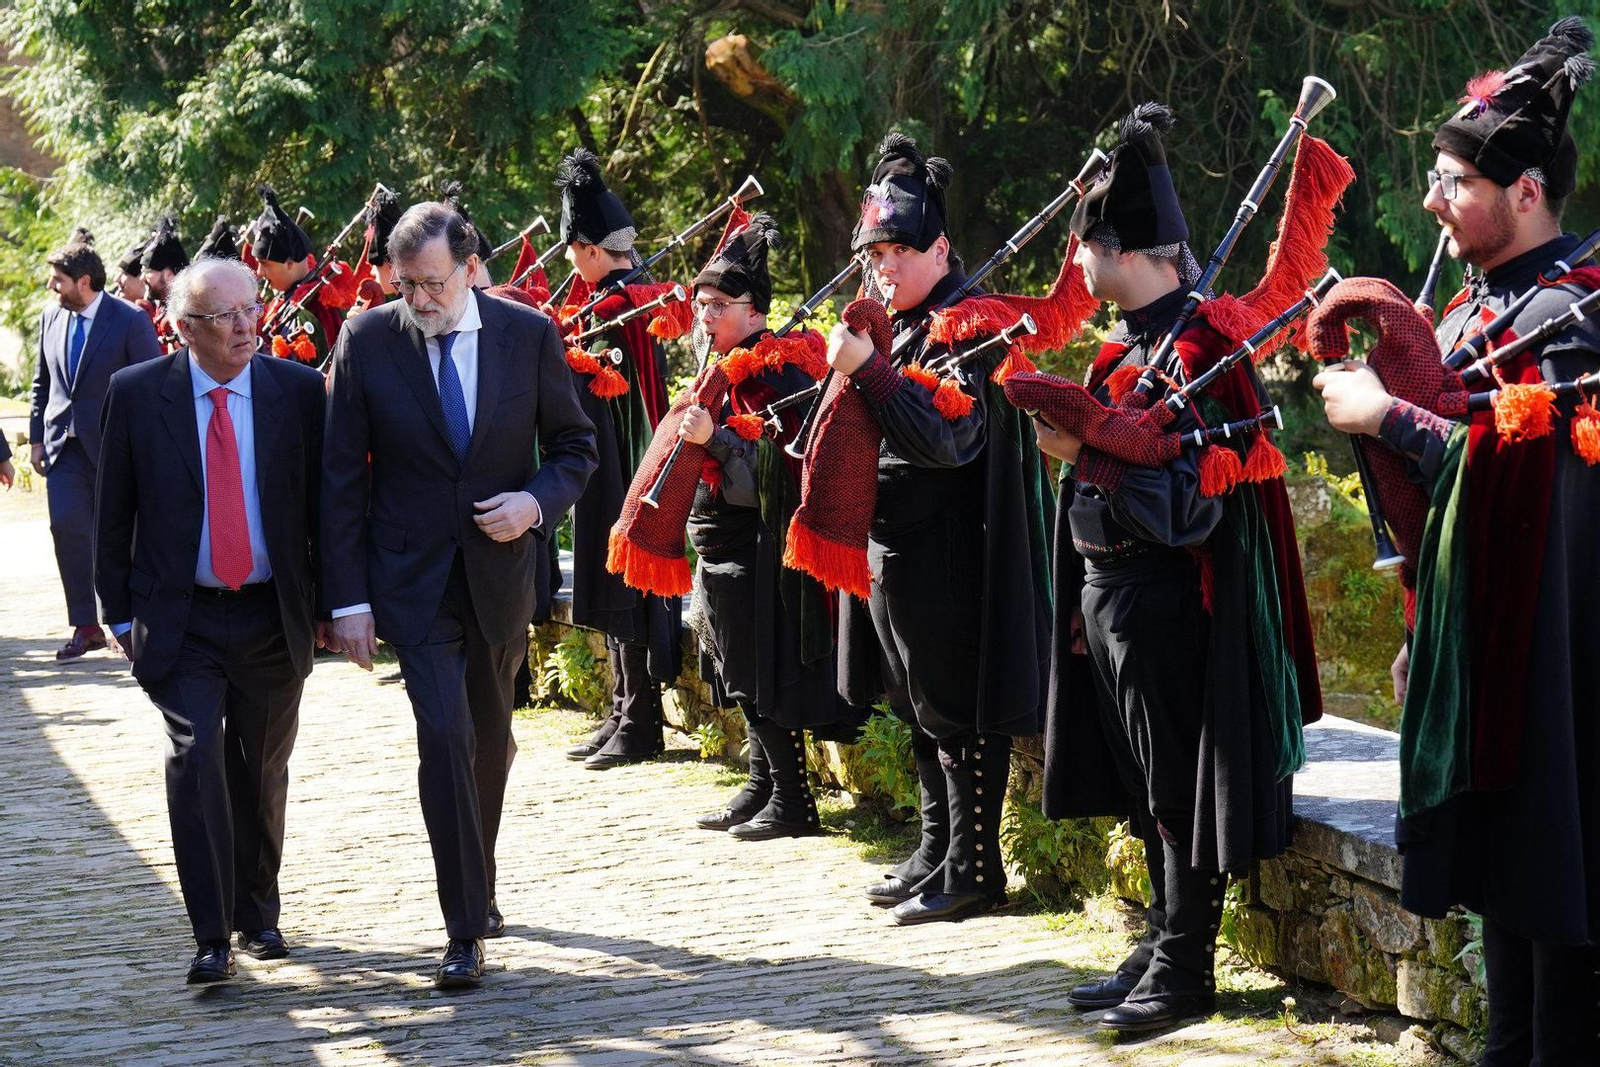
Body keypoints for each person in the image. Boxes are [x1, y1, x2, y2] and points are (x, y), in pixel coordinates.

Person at [1315, 17, 1599, 1063]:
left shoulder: (1575, 313)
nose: (1433, 202)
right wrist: (1422, 629)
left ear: (1525, 191)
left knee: (1551, 873)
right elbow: (1447, 511)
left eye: (1453, 183)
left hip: (1556, 658)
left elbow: (1534, 474)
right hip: (1480, 640)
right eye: (1434, 179)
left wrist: (1385, 414)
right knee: (1501, 876)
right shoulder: (1473, 309)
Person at [1033, 102, 1320, 1034]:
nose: (1076, 263)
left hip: (1167, 599)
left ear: (1123, 249)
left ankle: (1186, 967)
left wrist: (1090, 452)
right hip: (1107, 595)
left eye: (1085, 245)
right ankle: (1162, 937)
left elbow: (1195, 507)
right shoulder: (1129, 346)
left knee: (1174, 783)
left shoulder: (1205, 350)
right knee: (1141, 779)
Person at [322, 199, 596, 988]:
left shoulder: (528, 336)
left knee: (489, 740)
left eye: (433, 283)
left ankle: (480, 876)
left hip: (499, 578)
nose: (419, 299)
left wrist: (534, 503)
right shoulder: (366, 339)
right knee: (443, 736)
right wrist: (348, 602)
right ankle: (463, 928)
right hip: (411, 584)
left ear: (471, 268)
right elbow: (340, 479)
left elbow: (574, 446)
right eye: (405, 284)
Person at [824, 133, 1053, 924]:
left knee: (955, 711)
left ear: (941, 249)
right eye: (877, 254)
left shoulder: (968, 326)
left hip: (950, 549)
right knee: (917, 706)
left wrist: (871, 372)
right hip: (893, 545)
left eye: (900, 252)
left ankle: (974, 869)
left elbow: (949, 440)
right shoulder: (903, 324)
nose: (885, 267)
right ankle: (935, 849)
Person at [94, 257, 327, 984]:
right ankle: (210, 934)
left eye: (250, 308)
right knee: (196, 759)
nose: (245, 325)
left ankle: (257, 911)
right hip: (182, 618)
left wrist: (333, 605)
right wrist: (117, 614)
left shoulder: (297, 391)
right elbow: (113, 514)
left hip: (270, 613)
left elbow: (327, 508)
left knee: (260, 769)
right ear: (185, 329)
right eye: (225, 316)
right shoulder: (138, 394)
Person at [676, 214, 862, 838]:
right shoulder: (724, 365)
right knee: (740, 672)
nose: (705, 316)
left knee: (763, 671)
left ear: (755, 311)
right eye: (701, 304)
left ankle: (794, 801)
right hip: (720, 545)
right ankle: (763, 784)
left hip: (759, 547)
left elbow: (782, 468)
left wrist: (716, 438)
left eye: (718, 305)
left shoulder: (781, 374)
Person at [554, 148, 683, 771]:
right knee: (615, 578)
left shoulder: (616, 305)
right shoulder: (626, 298)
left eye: (572, 252)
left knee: (625, 580)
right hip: (619, 451)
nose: (569, 264)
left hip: (622, 453)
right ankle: (623, 708)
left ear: (589, 248)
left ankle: (640, 719)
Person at [29, 228, 162, 660]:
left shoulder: (130, 320)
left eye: (59, 280)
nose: (52, 287)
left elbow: (152, 385)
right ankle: (86, 626)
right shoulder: (50, 319)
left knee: (125, 536)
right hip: (63, 450)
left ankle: (131, 623)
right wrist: (36, 440)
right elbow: (42, 384)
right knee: (68, 530)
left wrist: (149, 447)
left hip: (114, 449)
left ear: (84, 281)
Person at [253, 185, 344, 364]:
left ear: (289, 263)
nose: (259, 272)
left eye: (264, 263)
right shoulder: (284, 297)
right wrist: (254, 309)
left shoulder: (315, 307)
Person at [141, 214, 188, 354]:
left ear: (168, 275)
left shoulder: (188, 311)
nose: (142, 278)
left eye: (148, 272)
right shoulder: (161, 308)